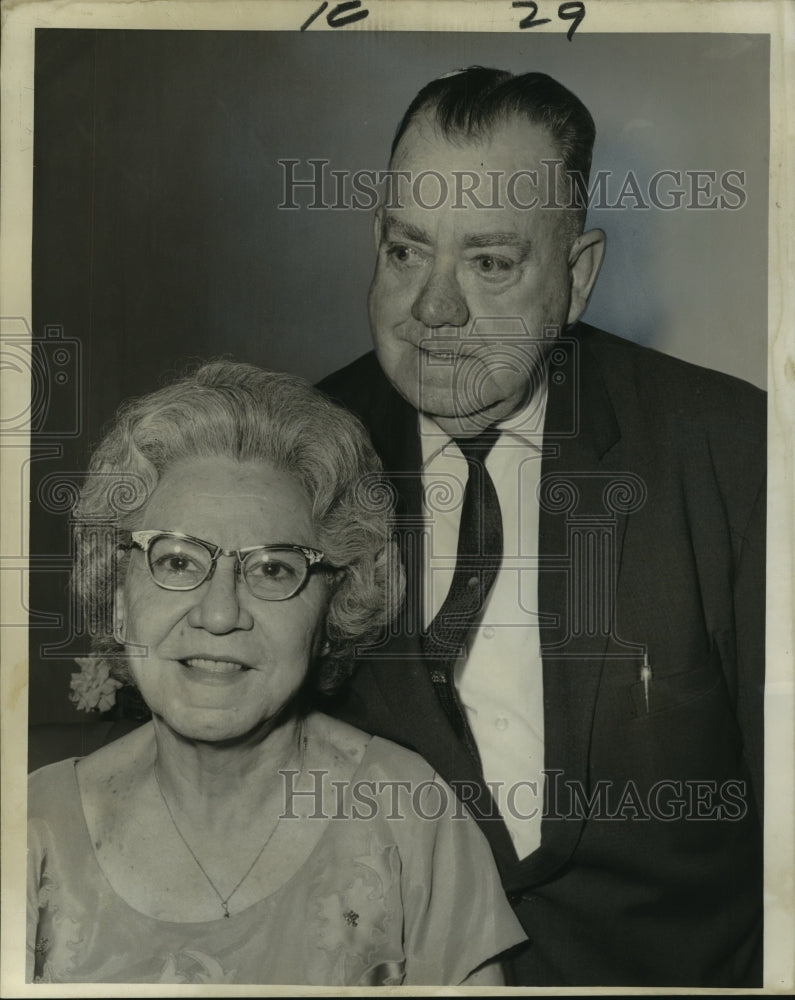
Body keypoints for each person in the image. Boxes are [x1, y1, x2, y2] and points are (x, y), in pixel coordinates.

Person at [319, 68, 765, 986]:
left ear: (579, 276)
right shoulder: (296, 456)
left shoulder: (730, 450)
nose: (433, 309)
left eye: (489, 263)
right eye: (407, 252)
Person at [27, 361, 526, 986]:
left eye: (272, 569)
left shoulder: (411, 819)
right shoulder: (31, 830)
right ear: (121, 593)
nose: (218, 613)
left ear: (332, 608)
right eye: (177, 560)